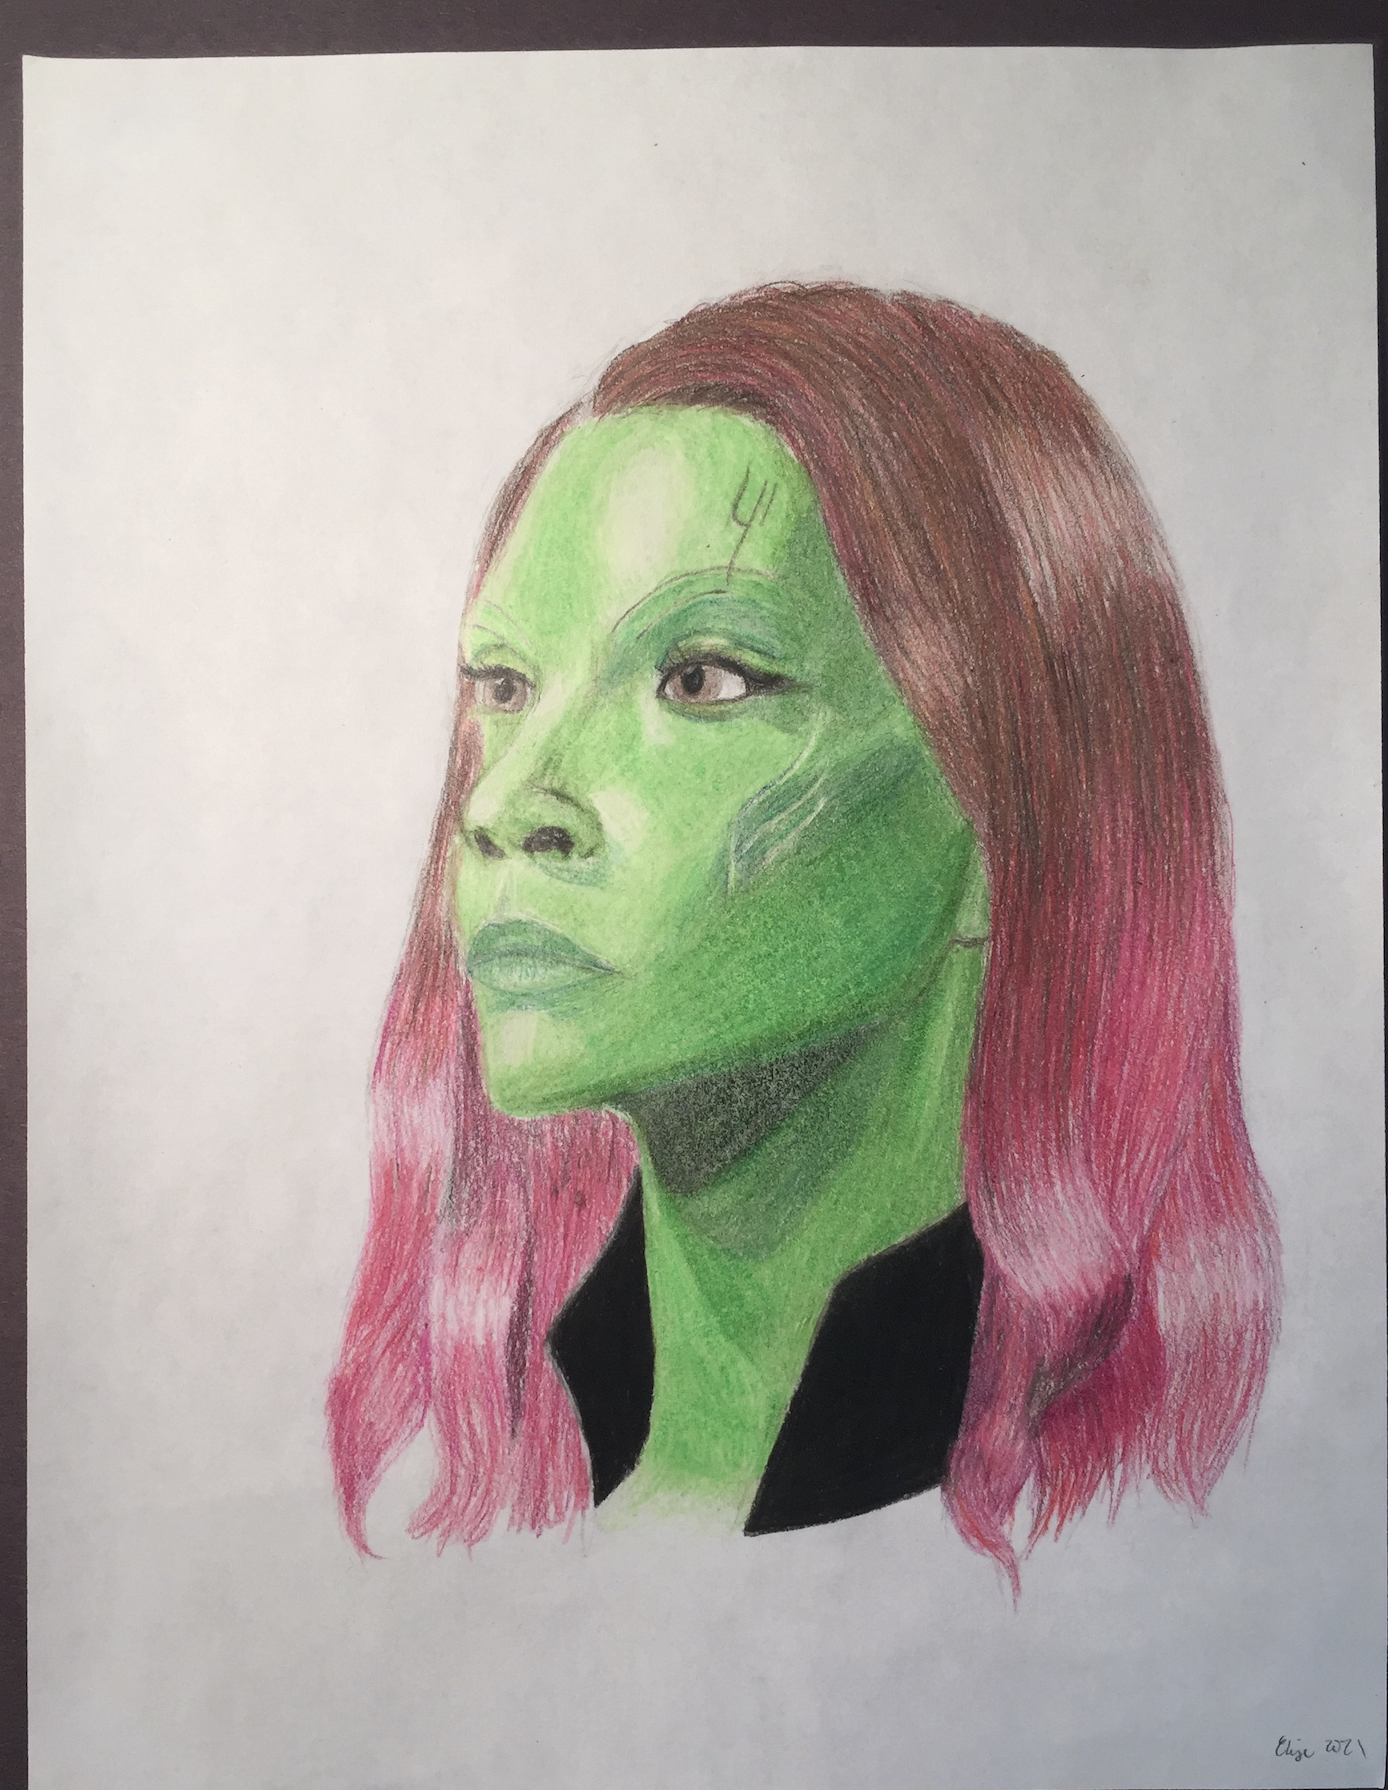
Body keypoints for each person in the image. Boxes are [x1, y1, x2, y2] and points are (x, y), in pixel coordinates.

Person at [327, 283, 1280, 1587]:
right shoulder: (518, 1437)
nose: (503, 805)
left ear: (1011, 810)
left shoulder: (1087, 1512)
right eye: (504, 684)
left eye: (702, 678)